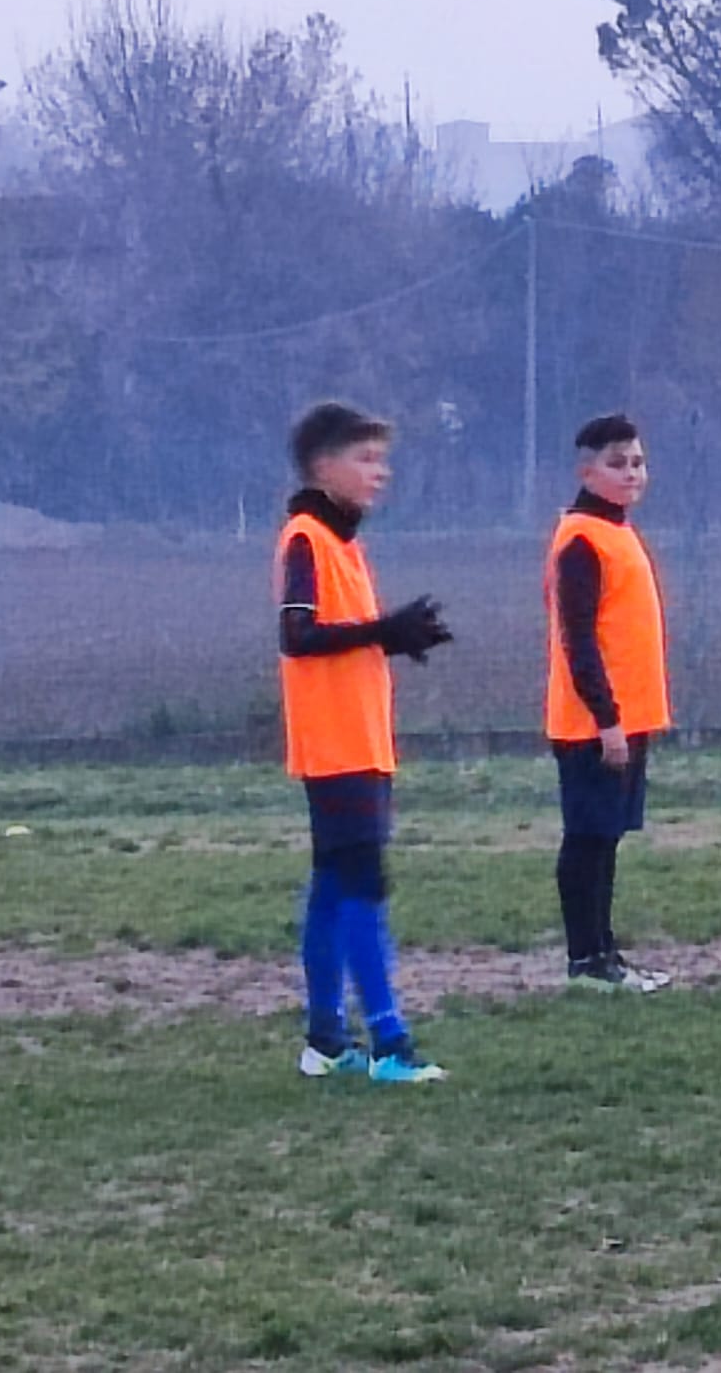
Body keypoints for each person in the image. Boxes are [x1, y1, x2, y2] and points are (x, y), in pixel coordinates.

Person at [276, 401, 453, 1083]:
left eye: (383, 459)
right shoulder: (306, 538)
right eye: (366, 458)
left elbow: (339, 639)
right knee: (362, 885)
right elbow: (298, 635)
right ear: (323, 467)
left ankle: (325, 1041)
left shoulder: (343, 543)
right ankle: (388, 1042)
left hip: (358, 743)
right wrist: (381, 630)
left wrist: (392, 638)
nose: (381, 472)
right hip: (337, 747)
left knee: (333, 886)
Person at [543, 414, 674, 993]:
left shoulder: (617, 531)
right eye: (617, 464)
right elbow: (578, 639)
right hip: (593, 725)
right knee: (587, 838)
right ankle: (586, 960)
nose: (631, 474)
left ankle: (605, 954)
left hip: (627, 719)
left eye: (638, 462)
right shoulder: (581, 540)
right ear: (586, 472)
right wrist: (607, 719)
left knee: (606, 838)